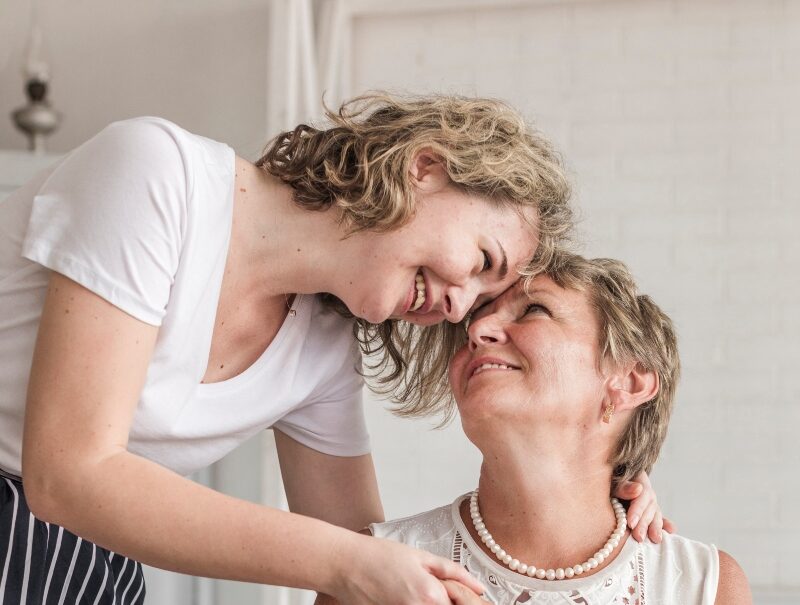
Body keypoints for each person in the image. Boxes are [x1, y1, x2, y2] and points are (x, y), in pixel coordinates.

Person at [0, 93, 658, 605]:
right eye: (484, 260)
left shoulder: (320, 351)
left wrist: (599, 509)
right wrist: (351, 562)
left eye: (480, 298)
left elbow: (368, 557)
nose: (460, 308)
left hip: (83, 560)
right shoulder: (156, 174)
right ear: (425, 168)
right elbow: (69, 473)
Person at [319, 253, 751, 604]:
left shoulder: (706, 587)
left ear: (629, 382)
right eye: (472, 322)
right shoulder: (369, 571)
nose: (478, 330)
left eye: (534, 310)